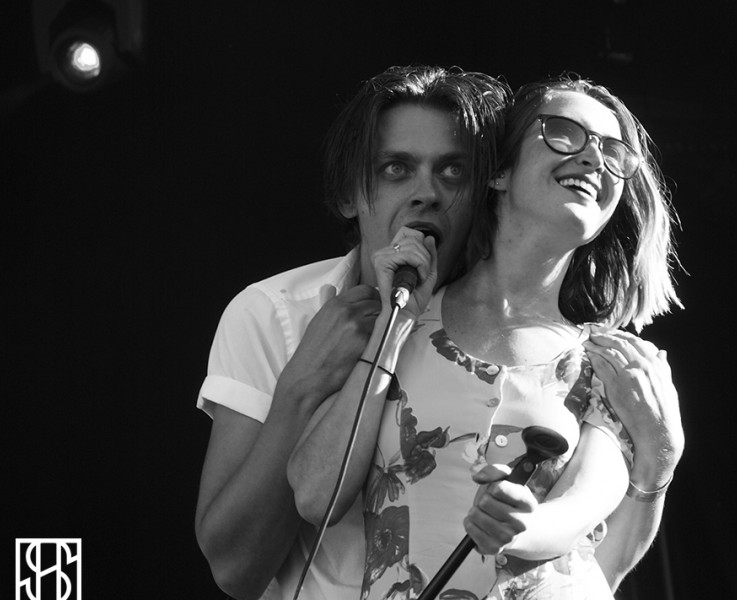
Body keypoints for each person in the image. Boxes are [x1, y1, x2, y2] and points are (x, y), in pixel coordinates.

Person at [286, 74, 682, 599]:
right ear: (498, 171)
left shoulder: (614, 362)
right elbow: (315, 494)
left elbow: (584, 508)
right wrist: (392, 328)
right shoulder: (402, 315)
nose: (593, 158)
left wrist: (521, 524)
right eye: (564, 133)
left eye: (613, 152)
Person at [194, 65, 510, 600]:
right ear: (348, 195)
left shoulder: (507, 329)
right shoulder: (273, 315)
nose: (427, 193)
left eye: (453, 172)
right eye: (396, 169)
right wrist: (301, 387)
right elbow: (234, 569)